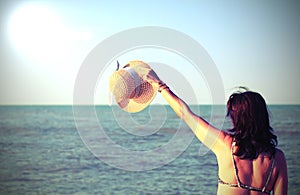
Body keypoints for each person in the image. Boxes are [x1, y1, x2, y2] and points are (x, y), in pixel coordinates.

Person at [143, 68, 288, 195]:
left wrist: (161, 86)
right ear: (263, 116)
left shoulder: (225, 145)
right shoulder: (278, 158)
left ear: (238, 118)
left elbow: (186, 114)